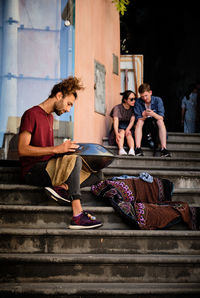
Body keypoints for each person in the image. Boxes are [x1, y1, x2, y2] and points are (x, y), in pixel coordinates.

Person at [18, 76, 103, 229]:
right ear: (59, 95)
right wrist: (56, 149)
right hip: (32, 171)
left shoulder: (50, 118)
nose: (68, 109)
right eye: (68, 103)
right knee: (74, 160)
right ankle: (77, 215)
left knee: (97, 173)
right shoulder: (31, 114)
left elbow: (48, 153)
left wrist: (64, 151)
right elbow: (22, 149)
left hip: (49, 167)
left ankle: (63, 187)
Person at [134, 83, 171, 157]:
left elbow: (161, 117)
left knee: (160, 121)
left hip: (155, 125)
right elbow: (138, 118)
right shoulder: (138, 101)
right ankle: (137, 148)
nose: (144, 98)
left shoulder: (157, 100)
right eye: (142, 96)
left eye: (146, 95)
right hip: (144, 125)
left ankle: (164, 148)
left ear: (150, 92)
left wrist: (153, 114)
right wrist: (144, 116)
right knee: (139, 121)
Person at [109, 90, 136, 155]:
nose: (134, 101)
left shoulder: (134, 108)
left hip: (128, 128)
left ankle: (132, 150)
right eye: (131, 99)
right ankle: (121, 149)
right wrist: (116, 134)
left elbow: (132, 121)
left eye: (135, 99)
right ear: (125, 100)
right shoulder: (117, 108)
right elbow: (115, 122)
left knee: (128, 133)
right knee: (122, 132)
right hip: (118, 128)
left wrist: (128, 129)